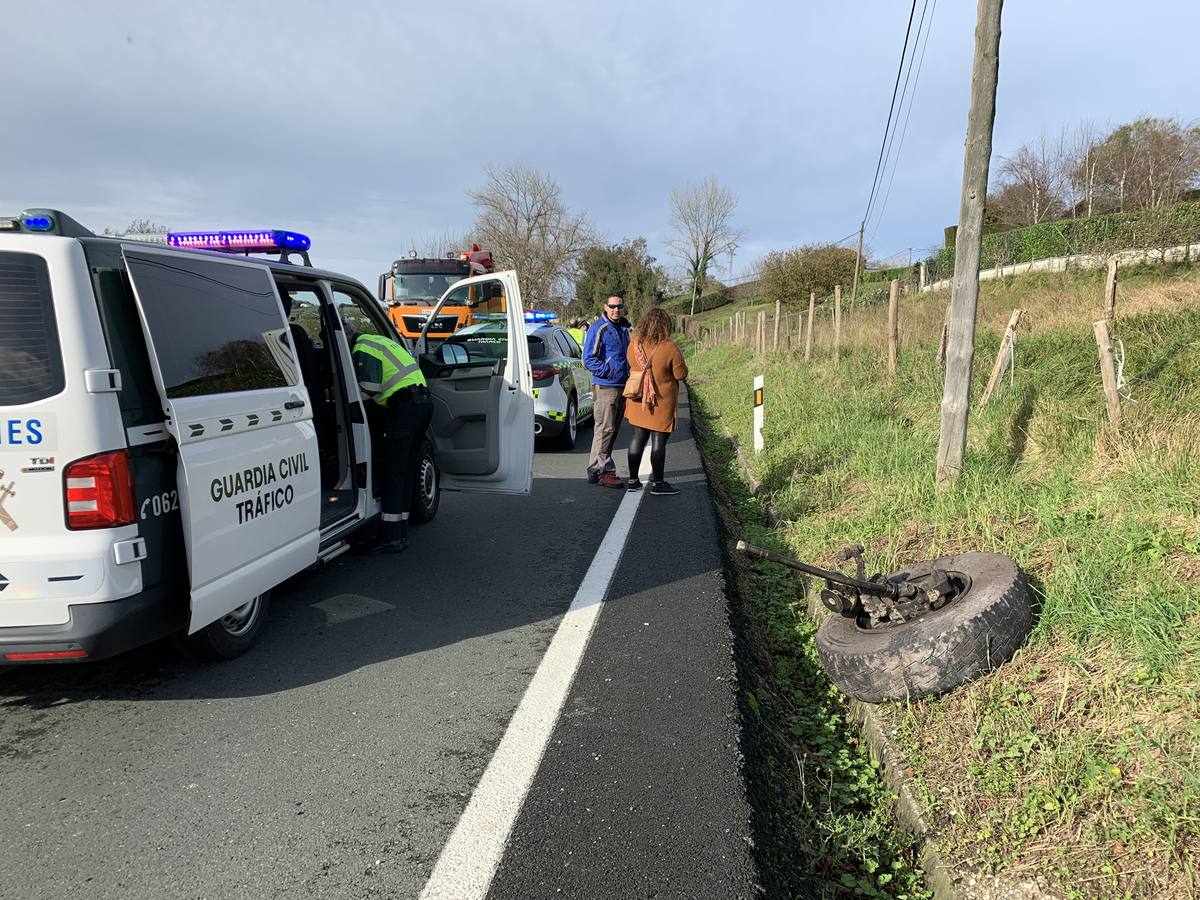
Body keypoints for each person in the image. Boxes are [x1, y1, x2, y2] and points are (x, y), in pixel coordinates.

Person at [352, 330, 433, 551]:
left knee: (393, 470)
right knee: (404, 469)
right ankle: (401, 528)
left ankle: (391, 537)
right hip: (421, 404)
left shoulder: (361, 348)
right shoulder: (378, 340)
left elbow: (369, 389)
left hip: (405, 407)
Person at [623, 307, 688, 496]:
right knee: (658, 441)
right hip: (661, 402)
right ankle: (658, 483)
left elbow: (630, 363)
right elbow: (680, 374)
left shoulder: (634, 343)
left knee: (637, 438)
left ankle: (633, 480)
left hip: (638, 398)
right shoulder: (669, 347)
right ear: (665, 325)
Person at [582, 295, 631, 488]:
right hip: (606, 385)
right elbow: (588, 359)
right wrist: (608, 371)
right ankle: (604, 470)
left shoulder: (626, 328)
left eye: (619, 306)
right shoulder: (599, 328)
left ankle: (595, 469)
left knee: (610, 429)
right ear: (605, 307)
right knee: (606, 429)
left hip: (622, 385)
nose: (616, 310)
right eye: (612, 306)